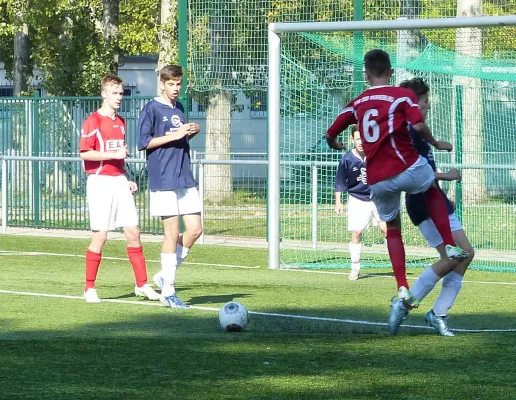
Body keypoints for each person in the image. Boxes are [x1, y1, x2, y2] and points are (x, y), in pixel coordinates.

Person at [325, 49, 469, 314]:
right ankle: (448, 242)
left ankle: (402, 286)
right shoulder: (402, 95)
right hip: (406, 167)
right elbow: (418, 125)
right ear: (391, 73)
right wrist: (436, 142)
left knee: (392, 228)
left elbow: (331, 133)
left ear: (366, 74)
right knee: (429, 186)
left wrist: (336, 143)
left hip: (378, 179)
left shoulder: (357, 102)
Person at [386, 77, 475, 336]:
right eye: (425, 102)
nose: (428, 106)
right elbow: (414, 173)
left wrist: (444, 192)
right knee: (453, 257)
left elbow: (425, 170)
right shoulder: (408, 132)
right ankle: (405, 302)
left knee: (465, 254)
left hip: (435, 200)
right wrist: (447, 176)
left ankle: (438, 313)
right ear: (414, 102)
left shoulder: (419, 132)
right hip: (422, 202)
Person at [79, 74, 160, 303]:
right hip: (99, 182)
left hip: (118, 181)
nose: (119, 97)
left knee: (133, 232)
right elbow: (85, 153)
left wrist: (125, 177)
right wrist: (112, 155)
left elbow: (118, 158)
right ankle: (89, 288)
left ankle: (142, 284)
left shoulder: (121, 122)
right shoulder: (93, 121)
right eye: (114, 93)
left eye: (121, 93)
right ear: (104, 93)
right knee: (101, 236)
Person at [137, 65, 203, 309]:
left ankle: (166, 274)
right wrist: (175, 136)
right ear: (162, 84)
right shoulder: (151, 108)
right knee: (172, 233)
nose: (176, 89)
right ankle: (168, 290)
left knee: (195, 229)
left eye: (179, 84)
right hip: (163, 177)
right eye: (171, 84)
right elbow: (143, 143)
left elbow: (179, 137)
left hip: (183, 175)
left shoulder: (180, 108)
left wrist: (191, 132)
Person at [334, 125, 387, 280]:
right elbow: (339, 182)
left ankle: (398, 266)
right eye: (358, 138)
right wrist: (338, 202)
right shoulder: (347, 159)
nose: (361, 142)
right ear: (352, 140)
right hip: (357, 199)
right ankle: (355, 268)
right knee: (357, 232)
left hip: (377, 198)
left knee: (387, 231)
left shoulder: (376, 155)